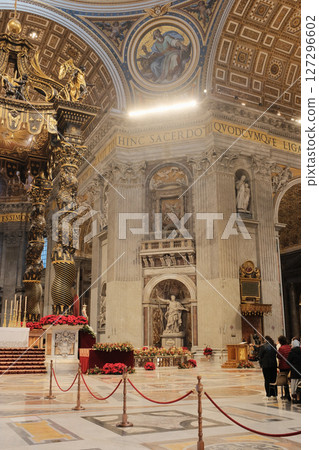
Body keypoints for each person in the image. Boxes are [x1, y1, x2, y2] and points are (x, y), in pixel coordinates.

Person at [277, 335, 291, 401]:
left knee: (284, 381)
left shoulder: (281, 348)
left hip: (283, 366)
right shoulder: (289, 347)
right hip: (289, 366)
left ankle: (287, 394)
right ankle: (289, 394)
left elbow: (279, 356)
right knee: (289, 380)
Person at [288, 339, 301, 403]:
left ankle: (294, 398)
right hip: (300, 370)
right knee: (300, 384)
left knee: (294, 385)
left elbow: (288, 362)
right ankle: (300, 397)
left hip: (294, 371)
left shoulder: (291, 352)